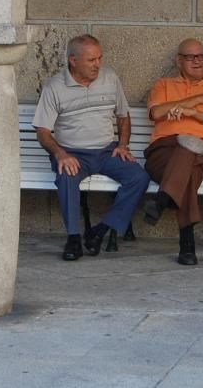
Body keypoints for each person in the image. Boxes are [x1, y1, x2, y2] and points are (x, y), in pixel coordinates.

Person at [33, 34, 150, 261]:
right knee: (66, 177)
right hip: (72, 153)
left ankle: (101, 230)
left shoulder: (110, 78)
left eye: (99, 58)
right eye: (91, 60)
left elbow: (123, 115)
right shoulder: (54, 87)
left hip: (107, 150)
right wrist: (61, 154)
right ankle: (74, 238)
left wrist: (123, 145)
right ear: (73, 60)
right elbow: (43, 132)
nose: (98, 65)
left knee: (139, 177)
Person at [143, 38, 203, 265]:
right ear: (178, 60)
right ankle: (186, 244)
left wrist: (194, 114)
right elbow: (156, 114)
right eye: (190, 57)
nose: (197, 61)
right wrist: (199, 100)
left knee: (191, 147)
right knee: (188, 164)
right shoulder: (163, 85)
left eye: (201, 56)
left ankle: (163, 199)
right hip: (164, 153)